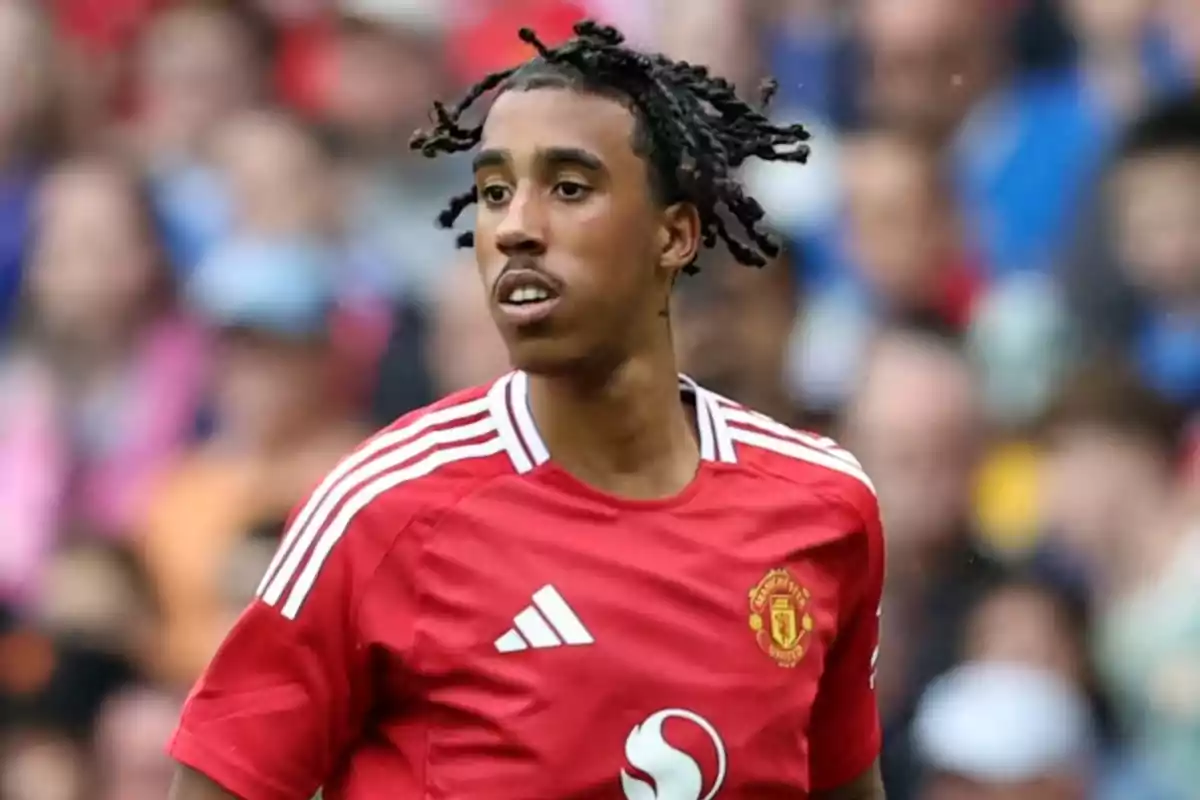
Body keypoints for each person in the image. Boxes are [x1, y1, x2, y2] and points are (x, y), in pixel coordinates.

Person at [167, 21, 886, 800]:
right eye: (494, 192)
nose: (515, 228)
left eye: (569, 188)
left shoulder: (822, 505)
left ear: (674, 235)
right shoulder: (383, 508)